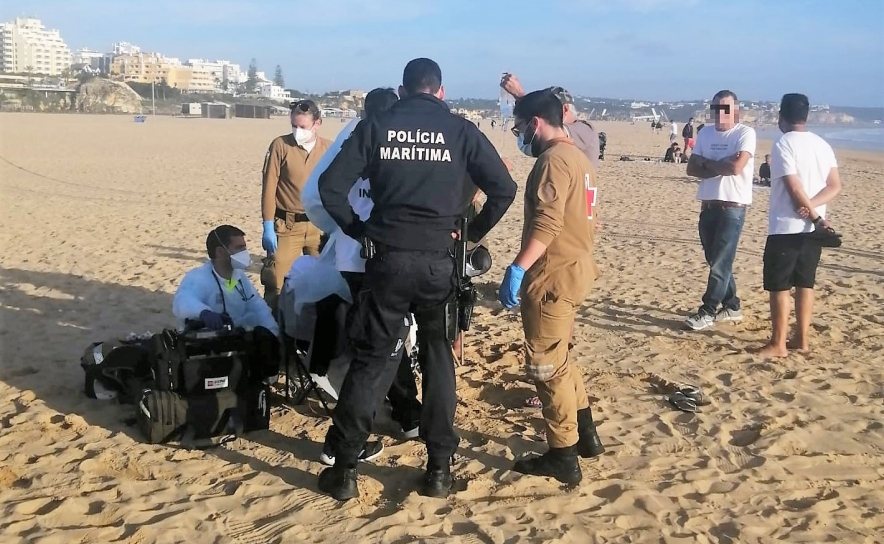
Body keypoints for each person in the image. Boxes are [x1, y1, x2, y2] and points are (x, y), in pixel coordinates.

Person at [315, 58, 516, 501]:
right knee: (438, 359)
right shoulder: (461, 131)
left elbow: (330, 188)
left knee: (372, 360)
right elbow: (504, 189)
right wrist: (471, 234)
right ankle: (439, 469)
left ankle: (345, 469)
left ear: (403, 92)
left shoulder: (377, 126)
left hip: (387, 258)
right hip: (440, 262)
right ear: (441, 92)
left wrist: (358, 230)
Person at [301, 87, 423, 463]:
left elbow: (320, 197)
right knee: (380, 347)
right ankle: (342, 441)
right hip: (375, 259)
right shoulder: (388, 141)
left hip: (355, 258)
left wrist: (346, 232)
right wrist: (358, 233)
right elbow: (320, 194)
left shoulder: (352, 142)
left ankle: (406, 412)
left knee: (387, 339)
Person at [499, 89, 605, 485]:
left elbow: (547, 222)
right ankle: (587, 435)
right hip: (578, 269)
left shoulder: (552, 161)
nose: (519, 134)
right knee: (563, 357)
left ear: (536, 123)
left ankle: (563, 453)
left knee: (547, 367)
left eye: (519, 127)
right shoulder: (579, 157)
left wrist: (518, 267)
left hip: (552, 275)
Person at [757, 93, 842, 358]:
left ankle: (778, 343)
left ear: (782, 116)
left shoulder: (784, 143)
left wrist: (809, 212)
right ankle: (802, 339)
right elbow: (835, 186)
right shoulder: (821, 144)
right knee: (806, 283)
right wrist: (815, 209)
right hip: (813, 229)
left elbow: (793, 186)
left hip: (788, 226)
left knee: (779, 285)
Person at [685, 90, 757, 331]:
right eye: (716, 108)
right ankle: (732, 305)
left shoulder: (745, 133)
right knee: (715, 260)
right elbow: (692, 168)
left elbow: (736, 167)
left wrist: (708, 163)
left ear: (735, 110)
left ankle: (708, 310)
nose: (720, 113)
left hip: (732, 207)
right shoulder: (705, 132)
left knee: (720, 263)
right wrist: (719, 164)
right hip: (708, 204)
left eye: (725, 108)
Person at [172, 225, 280, 383]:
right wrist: (204, 312)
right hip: (206, 347)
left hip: (235, 341)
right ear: (220, 252)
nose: (245, 253)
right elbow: (182, 301)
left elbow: (257, 306)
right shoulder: (199, 277)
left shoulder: (238, 278)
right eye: (239, 248)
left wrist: (274, 334)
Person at [260, 99, 331, 312]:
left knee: (324, 282)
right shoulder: (280, 145)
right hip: (287, 227)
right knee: (275, 283)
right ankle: (273, 330)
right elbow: (269, 188)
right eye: (294, 125)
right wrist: (268, 224)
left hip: (319, 226)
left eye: (303, 127)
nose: (297, 131)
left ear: (317, 123)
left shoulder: (329, 148)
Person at [500, 73, 600, 170]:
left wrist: (521, 97)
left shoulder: (585, 129)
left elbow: (545, 137)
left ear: (564, 110)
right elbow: (530, 146)